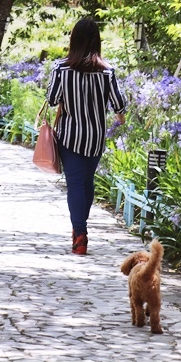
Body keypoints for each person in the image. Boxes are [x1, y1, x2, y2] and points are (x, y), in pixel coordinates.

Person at [45, 17, 128, 254]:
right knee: (87, 181)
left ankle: (79, 233)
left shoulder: (61, 68)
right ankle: (80, 228)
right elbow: (119, 105)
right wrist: (120, 120)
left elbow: (52, 100)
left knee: (75, 184)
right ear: (96, 42)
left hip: (69, 136)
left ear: (74, 40)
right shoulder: (107, 71)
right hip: (95, 137)